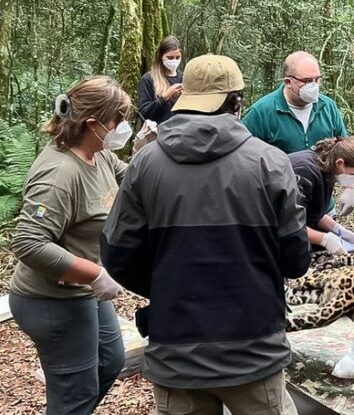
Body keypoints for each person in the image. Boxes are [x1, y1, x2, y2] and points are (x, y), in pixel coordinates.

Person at [100, 55, 308, 415]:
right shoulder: (269, 163)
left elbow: (117, 251)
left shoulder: (145, 164)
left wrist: (170, 284)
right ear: (237, 102)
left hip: (175, 352)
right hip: (253, 352)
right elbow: (295, 258)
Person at [9, 76, 130, 414]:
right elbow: (28, 242)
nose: (124, 128)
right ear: (93, 124)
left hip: (84, 291)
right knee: (75, 393)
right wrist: (94, 273)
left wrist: (159, 152)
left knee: (111, 361)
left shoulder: (99, 154)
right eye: (118, 121)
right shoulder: (60, 174)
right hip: (51, 300)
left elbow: (131, 178)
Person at [242, 51, 354, 216]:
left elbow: (346, 150)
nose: (314, 85)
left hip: (323, 208)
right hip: (280, 210)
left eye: (317, 79)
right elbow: (245, 162)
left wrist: (349, 187)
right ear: (288, 81)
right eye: (307, 81)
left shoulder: (328, 107)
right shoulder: (261, 112)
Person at [290, 136, 354, 255]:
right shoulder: (305, 172)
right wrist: (323, 239)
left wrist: (339, 229)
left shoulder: (327, 170)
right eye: (353, 173)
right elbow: (289, 224)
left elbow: (314, 214)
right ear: (340, 163)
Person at [134, 36, 183, 151]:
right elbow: (144, 113)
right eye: (170, 57)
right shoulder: (149, 79)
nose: (174, 61)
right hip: (156, 140)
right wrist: (165, 97)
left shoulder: (183, 78)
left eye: (177, 57)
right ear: (161, 56)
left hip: (180, 137)